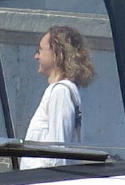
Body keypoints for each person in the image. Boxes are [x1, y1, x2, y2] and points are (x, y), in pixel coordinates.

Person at [23, 26, 92, 167]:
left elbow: (57, 153)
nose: (36, 56)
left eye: (40, 50)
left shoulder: (61, 92)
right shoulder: (59, 91)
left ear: (57, 53)